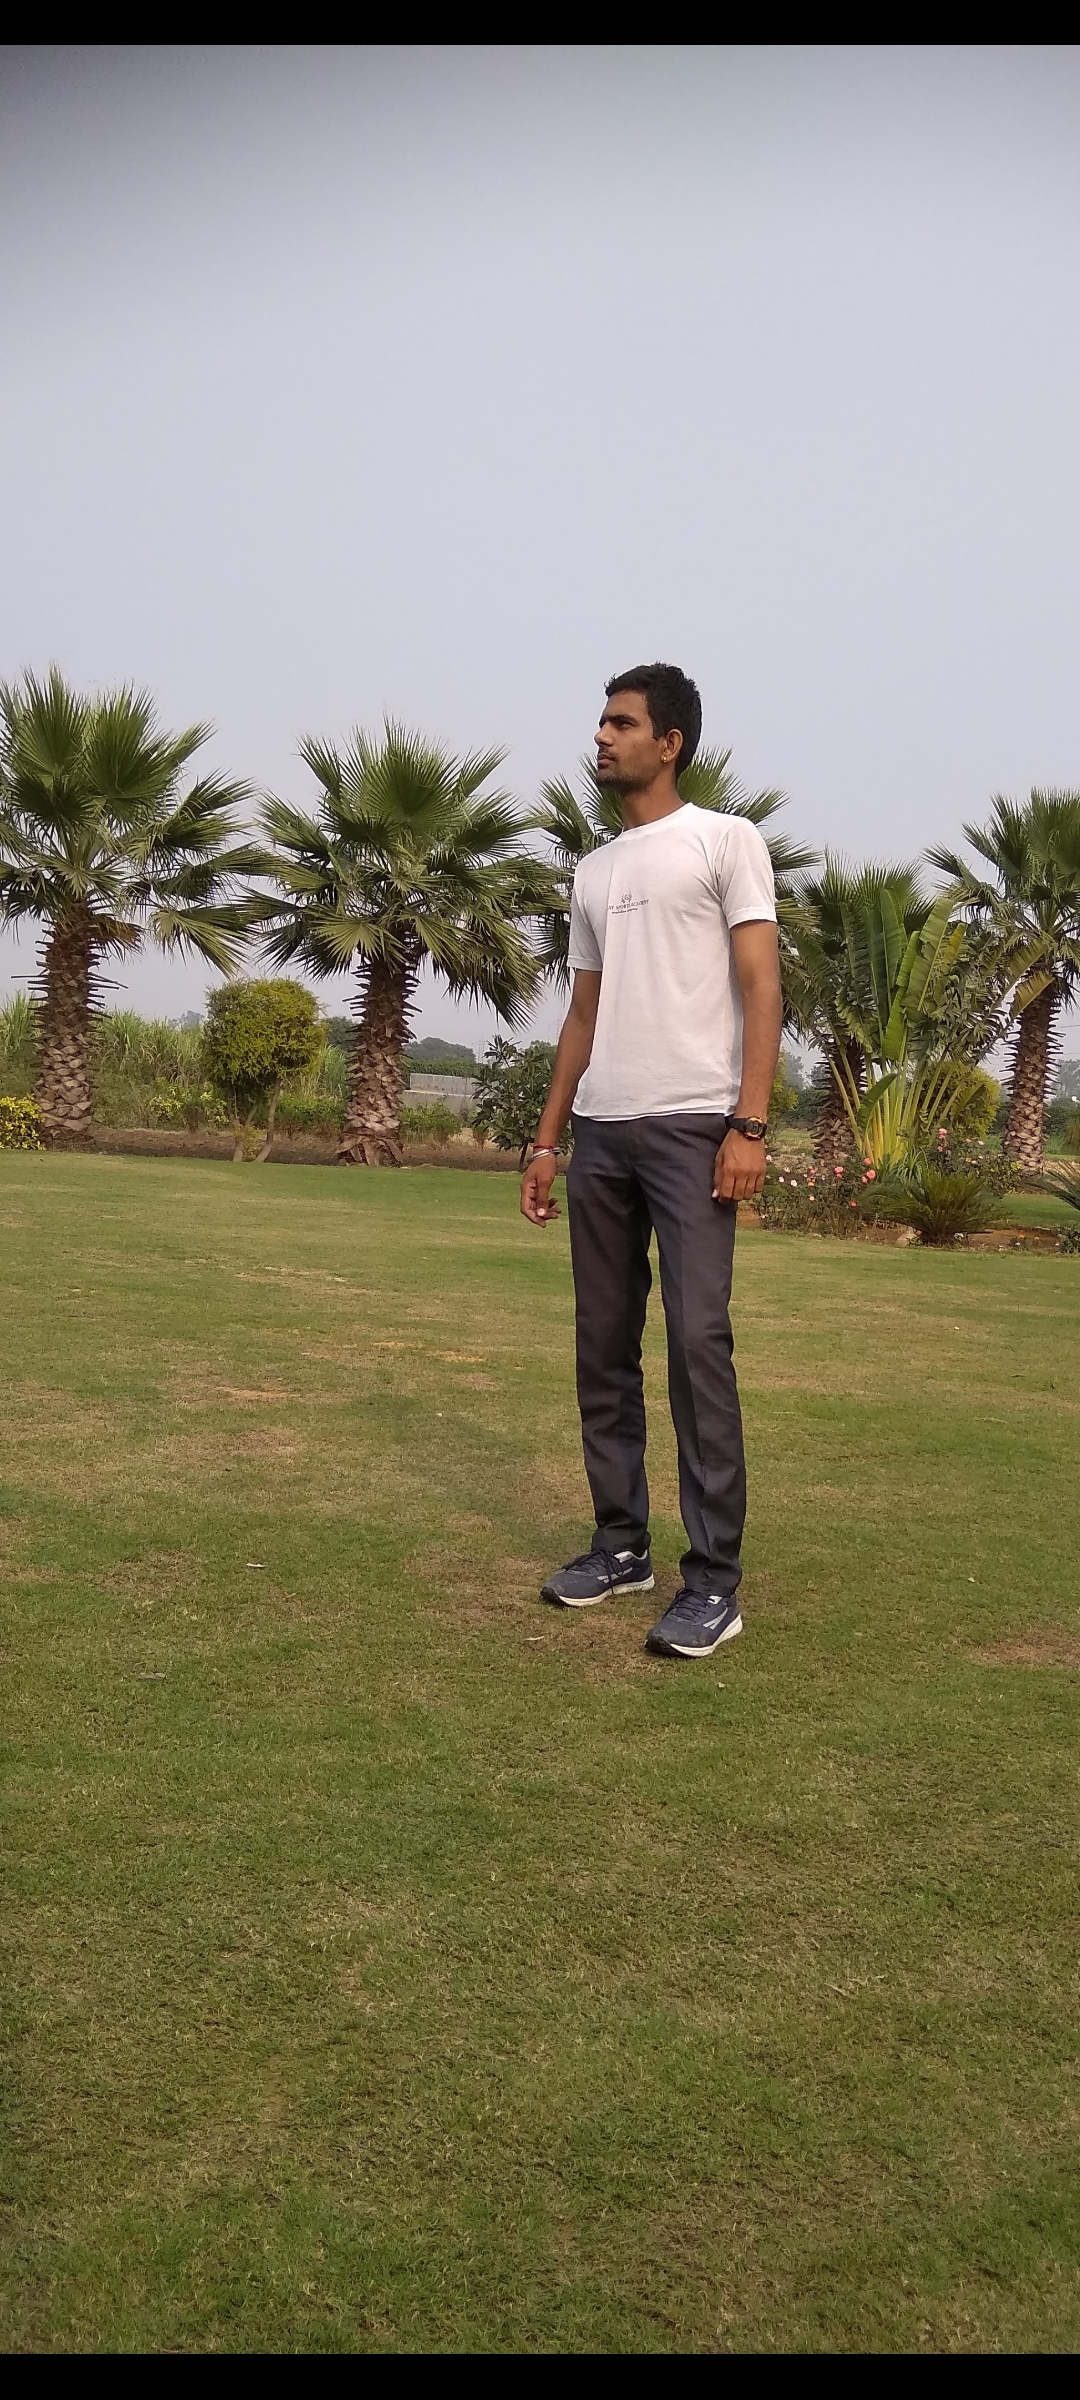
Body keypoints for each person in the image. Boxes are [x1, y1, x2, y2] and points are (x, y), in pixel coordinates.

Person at [520, 663, 782, 1659]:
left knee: (697, 1343)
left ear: (668, 742)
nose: (601, 736)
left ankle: (712, 1581)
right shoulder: (594, 871)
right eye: (600, 721)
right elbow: (582, 1014)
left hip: (692, 1128)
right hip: (603, 1132)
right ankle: (620, 1545)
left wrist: (748, 1125)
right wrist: (548, 1140)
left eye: (621, 723)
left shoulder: (724, 840)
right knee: (602, 1344)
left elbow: (761, 985)